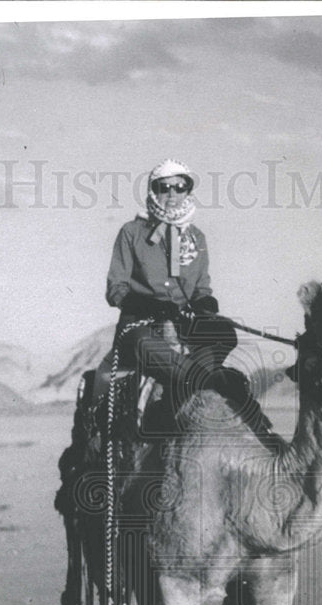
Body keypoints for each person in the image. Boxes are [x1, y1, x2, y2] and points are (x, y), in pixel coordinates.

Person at [102, 157, 249, 414]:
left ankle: (183, 382)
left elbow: (202, 288)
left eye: (179, 187)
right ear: (153, 190)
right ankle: (208, 380)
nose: (172, 193)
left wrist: (205, 304)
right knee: (143, 345)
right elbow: (116, 289)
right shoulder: (131, 232)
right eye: (164, 187)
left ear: (188, 191)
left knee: (225, 333)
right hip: (142, 324)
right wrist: (151, 305)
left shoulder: (196, 237)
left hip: (182, 322)